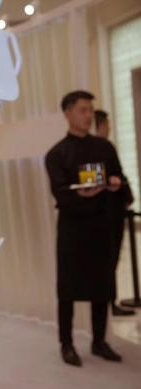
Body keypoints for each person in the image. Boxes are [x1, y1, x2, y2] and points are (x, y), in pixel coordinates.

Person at [45, 91, 124, 367]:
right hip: (73, 230)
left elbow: (120, 179)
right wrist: (81, 195)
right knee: (68, 288)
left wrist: (115, 183)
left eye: (90, 110)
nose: (89, 115)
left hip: (102, 226)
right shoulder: (56, 154)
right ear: (67, 113)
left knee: (102, 285)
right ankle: (66, 344)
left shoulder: (105, 148)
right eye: (82, 110)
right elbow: (60, 193)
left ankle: (99, 341)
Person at [94, 109, 135, 317]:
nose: (109, 128)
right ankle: (108, 302)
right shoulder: (99, 150)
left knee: (111, 259)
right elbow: (115, 176)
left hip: (111, 210)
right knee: (108, 260)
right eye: (106, 125)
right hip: (108, 212)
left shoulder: (105, 148)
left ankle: (110, 301)